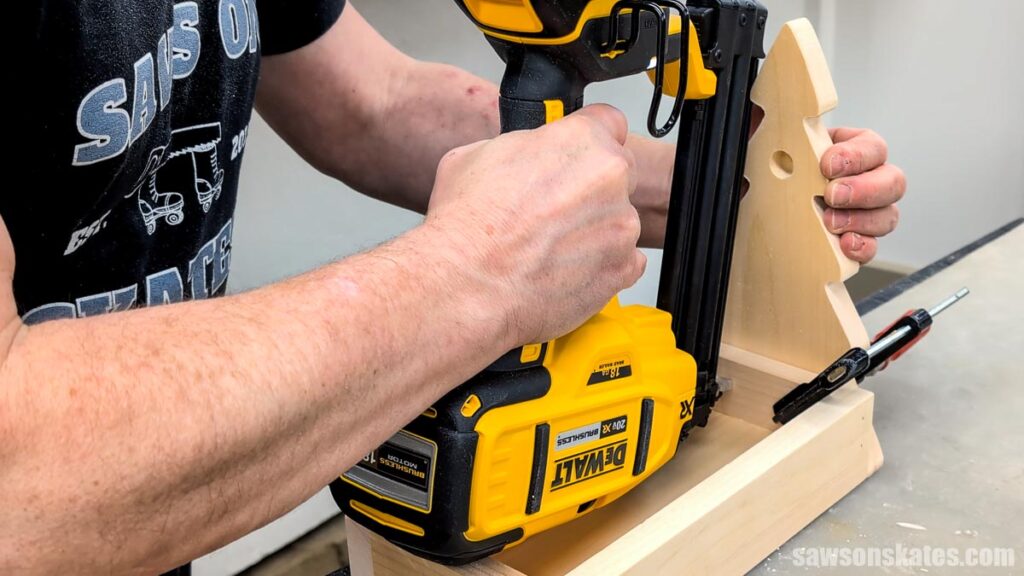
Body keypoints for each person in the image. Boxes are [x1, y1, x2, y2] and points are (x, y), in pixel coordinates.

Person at [5, 1, 906, 573]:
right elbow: (18, 477)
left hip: (155, 525)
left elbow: (376, 100)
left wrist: (726, 195)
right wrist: (476, 273)